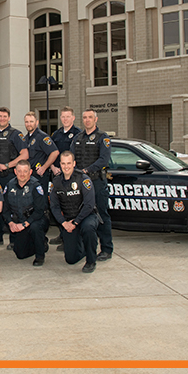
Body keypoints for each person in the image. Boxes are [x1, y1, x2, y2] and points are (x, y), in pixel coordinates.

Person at [71, 108, 113, 262]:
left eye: (90, 117)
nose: (87, 120)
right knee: (80, 214)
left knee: (101, 215)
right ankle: (85, 248)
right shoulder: (77, 138)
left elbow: (103, 159)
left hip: (96, 182)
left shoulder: (103, 137)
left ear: (96, 119)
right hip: (80, 183)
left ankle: (106, 249)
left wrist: (86, 170)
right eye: (85, 117)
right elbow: (71, 158)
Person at [49, 151, 99, 273]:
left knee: (88, 228)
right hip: (68, 219)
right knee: (71, 259)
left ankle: (91, 260)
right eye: (63, 163)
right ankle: (85, 247)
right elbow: (54, 206)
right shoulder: (56, 182)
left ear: (74, 164)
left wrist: (75, 222)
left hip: (86, 216)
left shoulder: (83, 179)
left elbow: (89, 205)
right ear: (60, 164)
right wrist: (64, 223)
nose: (66, 166)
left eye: (69, 163)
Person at [3, 160, 50, 266]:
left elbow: (39, 210)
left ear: (30, 172)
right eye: (19, 171)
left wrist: (25, 224)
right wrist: (11, 223)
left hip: (36, 220)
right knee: (20, 254)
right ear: (15, 171)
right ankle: (39, 243)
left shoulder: (35, 186)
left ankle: (40, 255)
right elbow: (5, 209)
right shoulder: (10, 185)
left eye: (25, 171)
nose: (22, 174)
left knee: (35, 227)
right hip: (20, 221)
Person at [48, 106, 82, 246]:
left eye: (68, 116)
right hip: (57, 174)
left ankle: (71, 237)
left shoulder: (78, 134)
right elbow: (50, 152)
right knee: (59, 205)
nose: (65, 119)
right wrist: (52, 167)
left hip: (71, 176)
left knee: (71, 207)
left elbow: (79, 156)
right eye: (63, 117)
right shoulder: (56, 134)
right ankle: (62, 234)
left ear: (73, 118)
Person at [0, 107, 29, 189]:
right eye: (0, 116)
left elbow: (25, 155)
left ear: (9, 118)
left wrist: (7, 165)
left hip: (9, 176)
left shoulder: (16, 134)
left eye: (5, 116)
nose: (2, 119)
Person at [23, 111, 59, 196]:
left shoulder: (42, 137)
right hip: (29, 176)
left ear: (37, 122)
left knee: (41, 202)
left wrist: (44, 167)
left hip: (39, 176)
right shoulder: (26, 138)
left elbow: (54, 152)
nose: (29, 124)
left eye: (31, 121)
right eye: (27, 122)